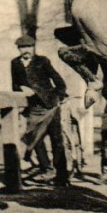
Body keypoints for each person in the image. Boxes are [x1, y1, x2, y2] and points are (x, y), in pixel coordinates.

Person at [11, 35, 70, 187]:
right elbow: (14, 85)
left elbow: (59, 82)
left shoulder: (42, 61)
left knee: (57, 140)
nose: (26, 50)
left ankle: (62, 177)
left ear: (33, 48)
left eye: (29, 47)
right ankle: (47, 170)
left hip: (50, 106)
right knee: (34, 140)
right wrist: (21, 88)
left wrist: (59, 96)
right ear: (19, 49)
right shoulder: (15, 63)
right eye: (23, 47)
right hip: (34, 108)